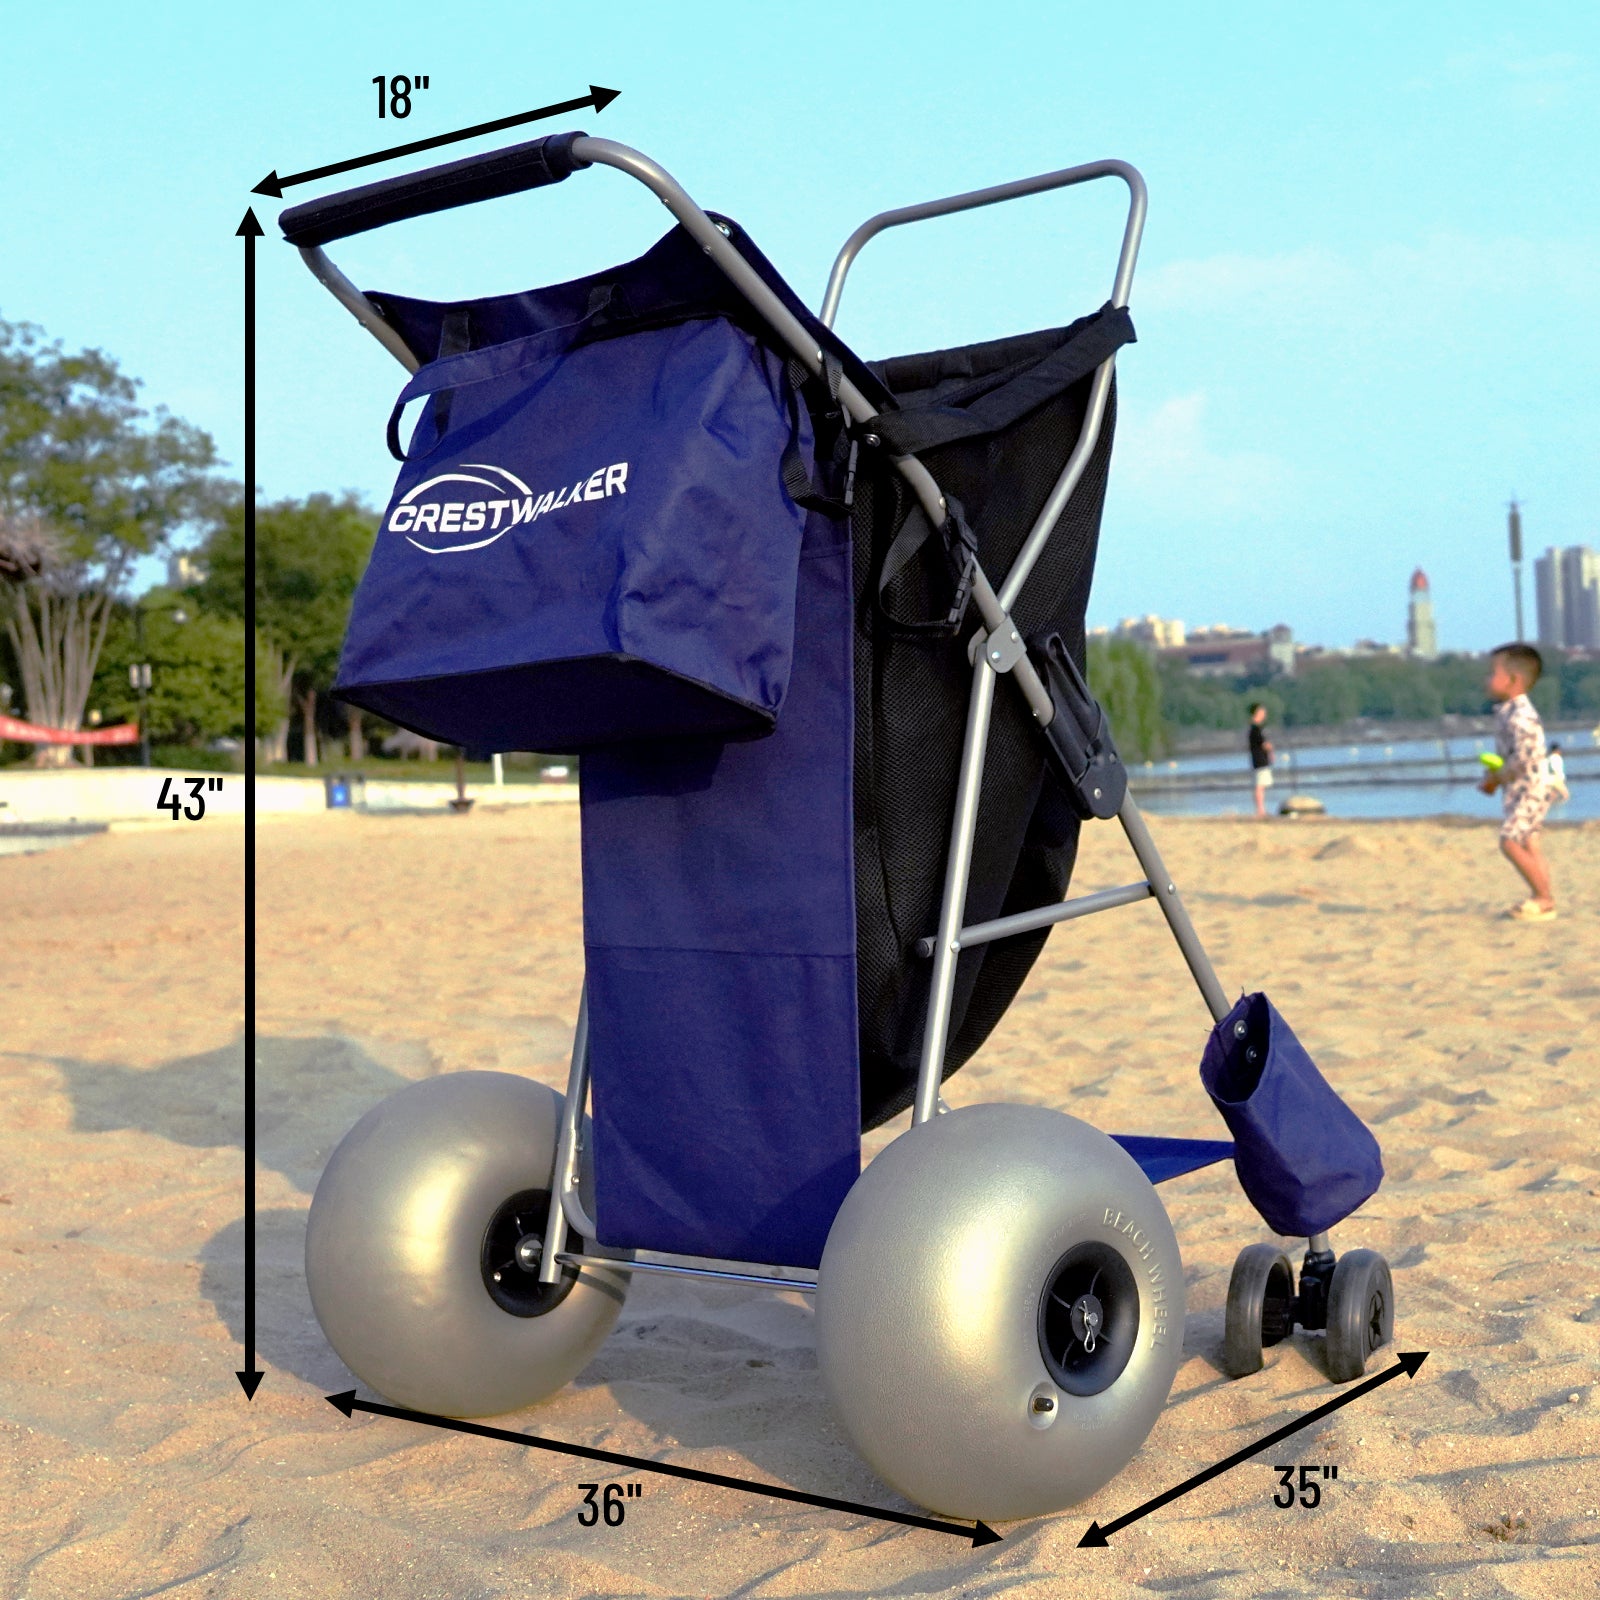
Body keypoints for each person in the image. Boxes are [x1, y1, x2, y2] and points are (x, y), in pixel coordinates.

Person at [1479, 643, 1556, 920]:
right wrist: (1494, 778)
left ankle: (1543, 897)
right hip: (1522, 788)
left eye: (1492, 673)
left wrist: (1499, 776)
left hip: (1532, 788)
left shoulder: (1521, 717)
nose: (1486, 679)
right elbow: (1507, 757)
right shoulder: (1507, 713)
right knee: (1528, 842)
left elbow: (1522, 760)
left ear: (1513, 681)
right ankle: (1544, 899)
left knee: (1509, 840)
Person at [1247, 702, 1274, 818]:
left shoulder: (1256, 728)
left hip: (1260, 759)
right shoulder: (1255, 729)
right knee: (1259, 785)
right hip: (1259, 760)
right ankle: (1260, 810)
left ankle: (1261, 809)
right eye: (1262, 712)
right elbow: (1263, 744)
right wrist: (1270, 749)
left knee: (1261, 785)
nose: (1264, 714)